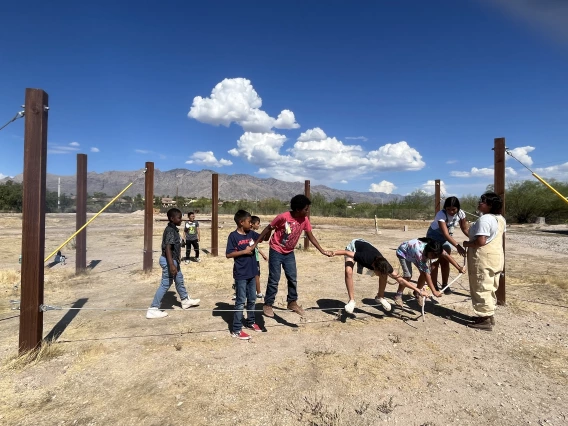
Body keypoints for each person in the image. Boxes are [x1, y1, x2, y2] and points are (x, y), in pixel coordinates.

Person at [252, 194, 333, 318]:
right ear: (297, 210)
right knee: (274, 278)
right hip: (276, 250)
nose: (308, 211)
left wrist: (321, 250)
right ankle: (268, 304)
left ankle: (292, 302)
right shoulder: (283, 217)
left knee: (292, 277)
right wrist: (255, 244)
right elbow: (268, 228)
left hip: (289, 252)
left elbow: (310, 236)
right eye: (306, 209)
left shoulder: (304, 220)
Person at [331, 239, 428, 314]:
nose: (380, 275)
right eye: (379, 272)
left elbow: (401, 280)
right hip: (354, 246)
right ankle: (351, 301)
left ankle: (380, 297)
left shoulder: (386, 265)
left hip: (370, 250)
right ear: (374, 268)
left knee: (384, 274)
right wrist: (333, 253)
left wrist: (419, 290)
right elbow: (347, 253)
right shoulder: (365, 257)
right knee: (348, 272)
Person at [463, 192, 506, 331]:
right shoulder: (500, 219)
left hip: (484, 258)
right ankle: (488, 315)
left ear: (490, 205)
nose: (480, 202)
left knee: (481, 286)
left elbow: (481, 241)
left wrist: (467, 244)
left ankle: (485, 319)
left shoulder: (485, 219)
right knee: (491, 286)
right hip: (496, 257)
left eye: (483, 201)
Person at [146, 208, 200, 319]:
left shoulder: (173, 229)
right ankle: (153, 309)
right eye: (179, 218)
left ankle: (185, 300)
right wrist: (171, 265)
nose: (181, 219)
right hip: (169, 260)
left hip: (173, 260)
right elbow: (168, 248)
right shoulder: (170, 230)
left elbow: (174, 244)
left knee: (179, 279)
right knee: (165, 283)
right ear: (172, 218)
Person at [394, 237, 466, 307]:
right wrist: (434, 291)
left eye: (437, 256)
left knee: (423, 273)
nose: (435, 257)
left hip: (413, 253)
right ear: (428, 251)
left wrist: (459, 268)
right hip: (404, 253)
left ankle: (417, 293)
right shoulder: (420, 254)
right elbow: (427, 274)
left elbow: (447, 256)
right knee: (408, 275)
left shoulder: (436, 248)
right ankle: (398, 295)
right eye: (433, 255)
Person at [226, 210, 263, 340]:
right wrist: (244, 251)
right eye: (249, 221)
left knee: (252, 299)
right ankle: (236, 329)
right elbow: (228, 254)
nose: (251, 223)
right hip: (241, 273)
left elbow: (263, 238)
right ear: (242, 222)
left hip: (252, 272)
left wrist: (271, 228)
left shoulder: (251, 233)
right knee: (241, 301)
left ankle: (251, 321)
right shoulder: (233, 236)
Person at [426, 196, 469, 294]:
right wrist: (458, 246)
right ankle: (434, 285)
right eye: (448, 209)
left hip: (445, 238)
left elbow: (465, 229)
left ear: (458, 208)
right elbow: (445, 233)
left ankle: (445, 285)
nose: (451, 211)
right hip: (433, 237)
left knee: (445, 261)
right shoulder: (441, 214)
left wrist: (473, 239)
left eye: (453, 209)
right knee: (434, 262)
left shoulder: (461, 214)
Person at [251, 216, 268, 299]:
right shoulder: (252, 235)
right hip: (254, 259)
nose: (259, 225)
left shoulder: (251, 234)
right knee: (256, 275)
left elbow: (256, 246)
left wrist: (263, 254)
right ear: (252, 224)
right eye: (258, 224)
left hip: (256, 257)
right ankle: (259, 292)